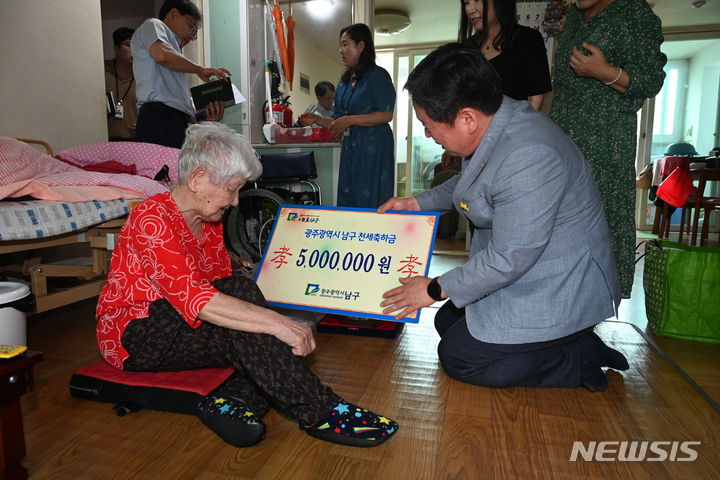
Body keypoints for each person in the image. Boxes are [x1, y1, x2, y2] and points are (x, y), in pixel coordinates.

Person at [96, 122, 398, 448]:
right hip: (134, 336)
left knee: (249, 315)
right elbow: (199, 298)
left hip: (180, 328)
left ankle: (236, 402)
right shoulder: (151, 217)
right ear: (197, 179)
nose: (236, 201)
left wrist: (271, 315)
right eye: (231, 188)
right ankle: (321, 410)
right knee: (252, 309)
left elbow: (223, 294)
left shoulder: (209, 222)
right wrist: (281, 324)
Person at [378, 43, 628, 393]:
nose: (427, 135)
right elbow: (472, 183)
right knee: (449, 320)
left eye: (429, 125)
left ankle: (577, 359)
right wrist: (417, 203)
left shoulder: (529, 153)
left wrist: (434, 287)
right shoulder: (496, 121)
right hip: (532, 269)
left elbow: (511, 257)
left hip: (559, 281)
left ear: (466, 118)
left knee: (460, 357)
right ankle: (570, 344)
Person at [549, 0, 666, 298]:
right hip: (563, 134)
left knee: (602, 219)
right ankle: (558, 301)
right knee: (560, 219)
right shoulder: (574, 16)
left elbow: (651, 80)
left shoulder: (633, 12)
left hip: (606, 137)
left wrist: (603, 71)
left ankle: (595, 303)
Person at [299, 24, 395, 208]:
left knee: (371, 197)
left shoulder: (378, 76)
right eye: (340, 45)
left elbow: (386, 114)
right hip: (351, 147)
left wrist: (351, 120)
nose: (340, 50)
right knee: (348, 195)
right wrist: (318, 119)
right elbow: (338, 121)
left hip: (374, 146)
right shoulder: (342, 83)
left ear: (361, 46)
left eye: (345, 44)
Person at [132, 0, 230, 148]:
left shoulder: (177, 56)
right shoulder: (153, 25)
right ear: (173, 14)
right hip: (158, 118)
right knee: (160, 169)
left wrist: (204, 118)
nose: (192, 36)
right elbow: (161, 55)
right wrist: (200, 69)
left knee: (176, 169)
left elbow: (176, 100)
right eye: (191, 26)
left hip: (176, 121)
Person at [459, 0, 551, 110]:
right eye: (466, 3)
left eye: (477, 0)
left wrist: (519, 127)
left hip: (519, 125)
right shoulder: (465, 49)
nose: (470, 9)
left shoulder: (528, 39)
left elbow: (535, 100)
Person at [105, 27, 138, 141]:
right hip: (103, 139)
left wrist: (145, 124)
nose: (134, 49)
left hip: (134, 140)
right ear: (116, 48)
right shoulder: (101, 70)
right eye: (128, 45)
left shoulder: (144, 76)